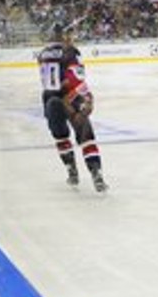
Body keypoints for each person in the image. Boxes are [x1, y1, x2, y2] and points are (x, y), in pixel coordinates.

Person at [37, 25, 107, 192]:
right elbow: (75, 79)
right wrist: (85, 98)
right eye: (70, 34)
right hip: (71, 97)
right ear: (64, 36)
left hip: (50, 99)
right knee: (86, 135)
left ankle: (71, 171)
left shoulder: (42, 54)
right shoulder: (71, 52)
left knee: (61, 137)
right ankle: (96, 174)